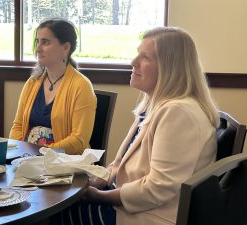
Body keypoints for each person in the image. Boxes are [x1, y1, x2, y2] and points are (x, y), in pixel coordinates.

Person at [54, 27, 220, 225]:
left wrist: (99, 196)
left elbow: (159, 187)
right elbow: (121, 164)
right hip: (133, 206)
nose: (133, 62)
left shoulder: (179, 113)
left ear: (170, 67)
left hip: (150, 216)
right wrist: (97, 180)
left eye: (145, 57)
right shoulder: (155, 103)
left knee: (54, 215)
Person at [9, 18, 97, 155]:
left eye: (45, 42)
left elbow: (79, 140)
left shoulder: (82, 86)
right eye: (37, 41)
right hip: (27, 159)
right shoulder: (32, 83)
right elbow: (18, 126)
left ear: (66, 47)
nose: (38, 49)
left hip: (64, 164)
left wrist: (44, 153)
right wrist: (19, 151)